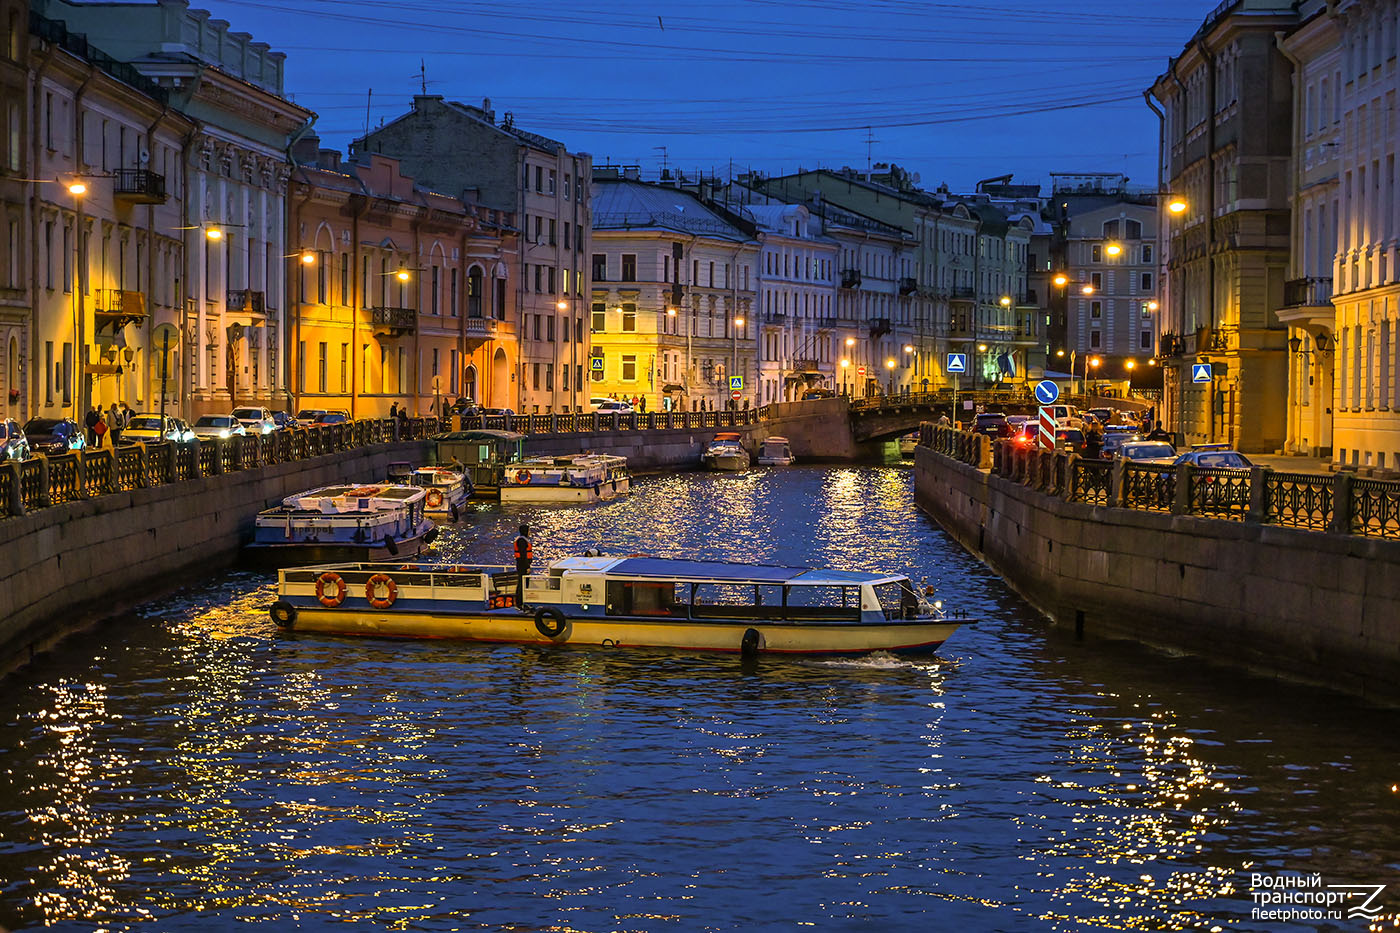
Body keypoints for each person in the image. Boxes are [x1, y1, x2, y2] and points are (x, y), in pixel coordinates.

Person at [512, 524, 532, 607]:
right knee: (522, 583)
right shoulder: (522, 541)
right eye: (529, 530)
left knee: (523, 583)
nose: (530, 532)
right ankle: (520, 602)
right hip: (522, 565)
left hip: (522, 564)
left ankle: (522, 601)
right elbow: (523, 555)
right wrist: (527, 566)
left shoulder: (523, 540)